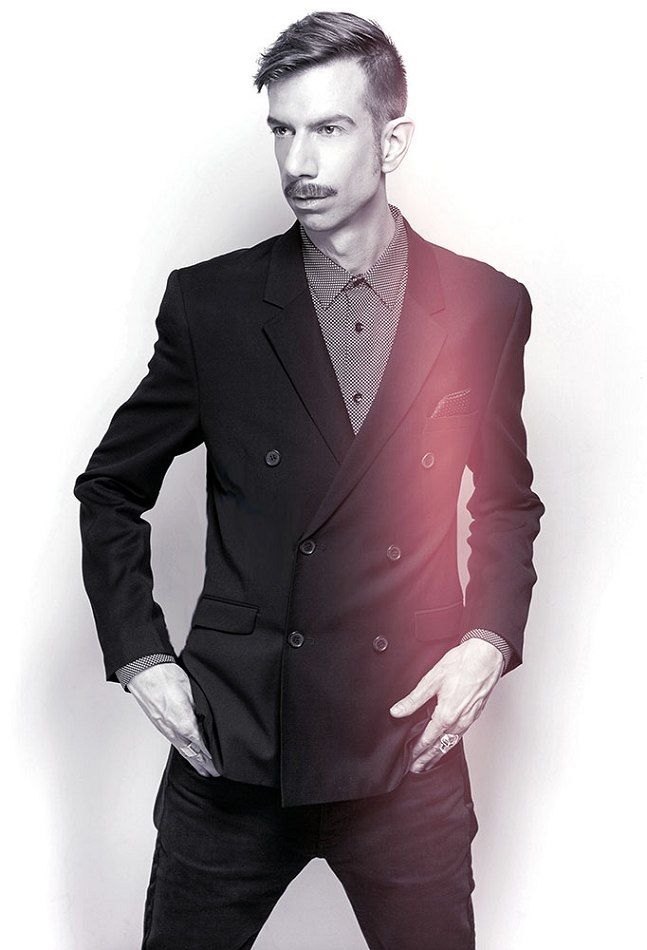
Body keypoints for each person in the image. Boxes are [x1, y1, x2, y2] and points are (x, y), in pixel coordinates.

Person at [73, 11, 545, 949]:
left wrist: (487, 642)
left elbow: (504, 502)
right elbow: (109, 489)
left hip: (405, 743)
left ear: (391, 140)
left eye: (328, 128)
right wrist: (140, 656)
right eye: (281, 131)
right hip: (237, 739)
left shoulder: (483, 305)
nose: (298, 162)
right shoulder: (211, 304)